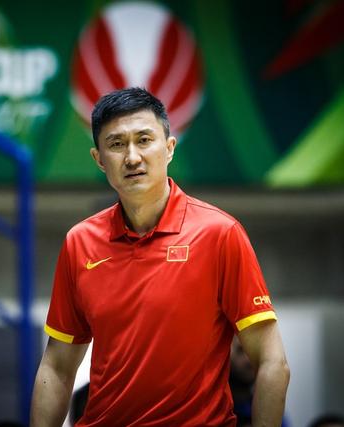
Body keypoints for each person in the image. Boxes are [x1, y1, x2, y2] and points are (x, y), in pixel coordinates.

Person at [30, 87, 290, 426]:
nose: (132, 157)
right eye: (116, 144)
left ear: (169, 148)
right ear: (98, 159)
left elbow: (272, 362)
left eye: (144, 140)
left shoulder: (220, 234)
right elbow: (57, 368)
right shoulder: (79, 243)